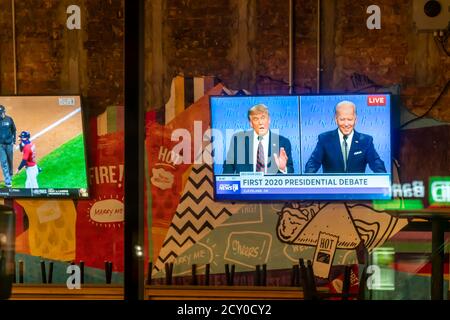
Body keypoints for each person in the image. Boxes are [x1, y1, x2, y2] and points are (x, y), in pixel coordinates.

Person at [304, 100, 386, 174]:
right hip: (331, 189)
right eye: (342, 119)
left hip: (357, 189)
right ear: (336, 119)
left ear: (355, 120)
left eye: (350, 119)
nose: (346, 124)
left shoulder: (366, 141)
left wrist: (384, 182)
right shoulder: (324, 139)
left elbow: (376, 163)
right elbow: (313, 163)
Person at [222, 103, 294, 174]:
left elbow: (291, 171)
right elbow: (229, 166)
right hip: (246, 184)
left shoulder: (282, 142)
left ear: (269, 120)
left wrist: (283, 168)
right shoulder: (239, 140)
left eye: (263, 118)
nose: (260, 122)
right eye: (256, 119)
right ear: (251, 123)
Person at [0, 105, 16, 188]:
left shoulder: (9, 119)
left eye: (1, 113)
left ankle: (10, 176)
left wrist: (14, 141)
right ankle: (7, 180)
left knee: (10, 161)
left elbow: (14, 130)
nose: (0, 114)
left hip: (9, 144)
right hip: (0, 146)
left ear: (4, 112)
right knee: (4, 162)